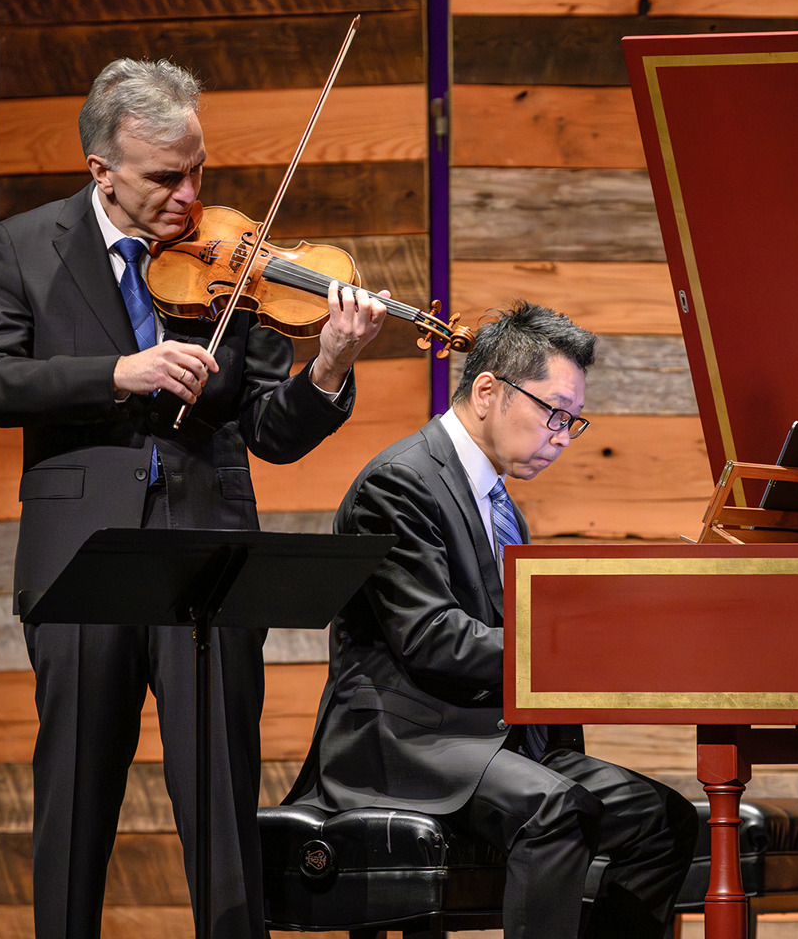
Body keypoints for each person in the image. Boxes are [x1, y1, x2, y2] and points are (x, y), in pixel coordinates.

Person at [0, 58, 386, 939]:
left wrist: (330, 364)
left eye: (198, 172)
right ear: (100, 169)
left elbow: (271, 428)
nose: (189, 197)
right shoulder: (23, 247)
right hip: (81, 562)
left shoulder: (233, 262)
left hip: (209, 559)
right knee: (73, 803)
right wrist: (119, 371)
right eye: (163, 177)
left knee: (222, 807)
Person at [287, 302, 697, 938]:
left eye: (573, 421)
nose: (562, 435)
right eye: (554, 414)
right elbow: (431, 637)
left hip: (487, 736)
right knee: (555, 810)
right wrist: (570, 650)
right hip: (405, 741)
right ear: (487, 391)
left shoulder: (495, 497)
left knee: (663, 819)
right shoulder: (400, 483)